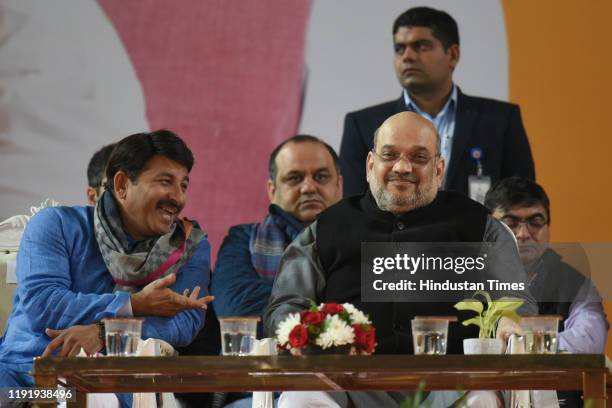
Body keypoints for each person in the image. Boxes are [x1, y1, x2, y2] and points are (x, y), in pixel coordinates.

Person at [265, 112, 537, 408]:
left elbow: (515, 300)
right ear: (370, 165)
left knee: (480, 401)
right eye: (389, 155)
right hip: (345, 384)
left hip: (451, 384)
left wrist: (509, 322)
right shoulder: (326, 228)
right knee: (300, 399)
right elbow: (286, 306)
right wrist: (310, 335)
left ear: (438, 170)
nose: (402, 167)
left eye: (419, 157)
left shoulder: (479, 226)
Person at [0, 130, 213, 406]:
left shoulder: (188, 245)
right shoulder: (56, 225)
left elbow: (184, 322)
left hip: (110, 383)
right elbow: (43, 304)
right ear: (122, 184)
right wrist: (133, 305)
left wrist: (105, 333)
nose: (178, 197)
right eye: (165, 182)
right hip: (21, 375)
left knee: (93, 400)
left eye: (184, 185)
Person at [339, 6, 535, 199]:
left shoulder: (499, 120)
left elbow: (522, 201)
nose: (407, 56)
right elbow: (354, 206)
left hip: (476, 231)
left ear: (453, 55)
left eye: (421, 46)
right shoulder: (363, 124)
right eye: (400, 48)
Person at [212, 135, 343, 322]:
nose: (308, 188)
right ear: (272, 191)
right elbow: (235, 307)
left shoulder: (366, 239)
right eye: (294, 178)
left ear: (339, 185)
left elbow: (380, 311)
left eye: (321, 177)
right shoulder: (243, 239)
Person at [484, 177, 608, 354]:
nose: (523, 234)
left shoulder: (574, 283)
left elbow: (590, 339)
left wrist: (526, 344)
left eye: (535, 222)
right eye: (510, 224)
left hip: (551, 381)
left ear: (548, 228)